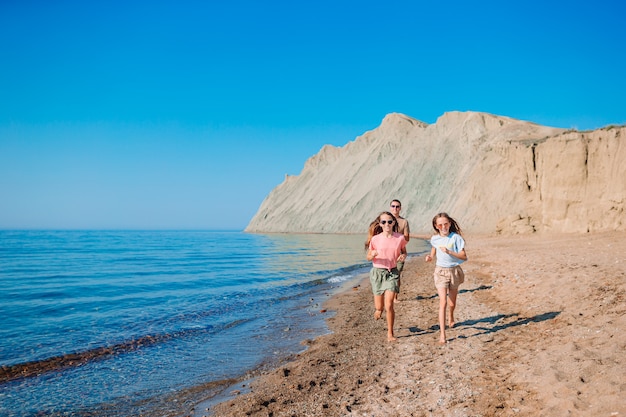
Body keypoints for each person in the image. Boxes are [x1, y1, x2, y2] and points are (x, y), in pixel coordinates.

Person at [424, 212, 467, 345]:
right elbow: (434, 248)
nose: (443, 227)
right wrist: (431, 256)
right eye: (440, 225)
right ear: (436, 226)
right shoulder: (435, 239)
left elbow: (464, 256)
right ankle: (443, 334)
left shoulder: (456, 238)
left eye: (446, 224)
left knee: (452, 303)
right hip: (440, 271)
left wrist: (450, 252)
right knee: (443, 302)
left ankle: (451, 315)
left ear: (449, 224)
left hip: (454, 271)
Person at [366, 212, 407, 342]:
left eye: (389, 221)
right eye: (384, 222)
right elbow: (368, 257)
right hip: (378, 273)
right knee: (380, 307)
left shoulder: (400, 238)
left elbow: (404, 252)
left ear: (394, 222)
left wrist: (403, 256)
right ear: (380, 224)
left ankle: (390, 333)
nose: (387, 224)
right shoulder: (375, 239)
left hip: (392, 273)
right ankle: (378, 309)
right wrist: (372, 255)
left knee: (389, 305)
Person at [390, 199, 410, 302]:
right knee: (387, 275)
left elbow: (407, 238)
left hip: (400, 252)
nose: (395, 208)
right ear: (390, 207)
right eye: (393, 206)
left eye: (397, 206)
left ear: (400, 208)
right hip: (387, 253)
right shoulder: (385, 220)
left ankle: (395, 297)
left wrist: (399, 241)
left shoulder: (404, 222)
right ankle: (388, 295)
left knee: (396, 275)